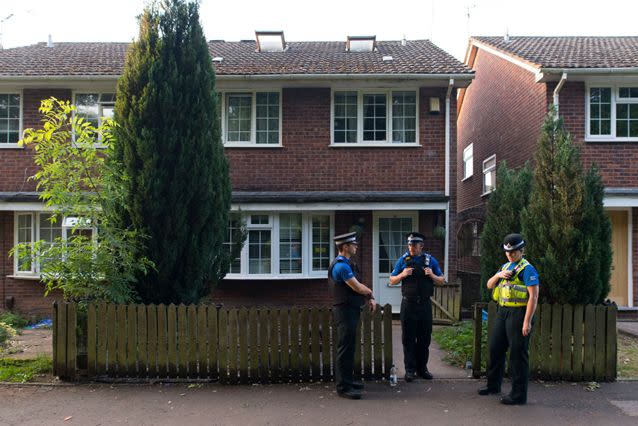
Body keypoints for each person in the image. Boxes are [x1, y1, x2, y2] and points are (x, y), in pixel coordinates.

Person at [478, 233, 539, 405]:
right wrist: (499, 275)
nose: (510, 255)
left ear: (521, 250)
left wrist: (527, 321)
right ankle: (493, 385)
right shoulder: (504, 266)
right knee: (495, 349)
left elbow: (534, 297)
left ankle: (518, 395)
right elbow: (489, 285)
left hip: (519, 314)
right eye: (507, 252)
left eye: (513, 252)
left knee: (517, 355)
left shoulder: (528, 269)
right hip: (503, 312)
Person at [389, 232, 445, 382]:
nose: (411, 248)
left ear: (421, 246)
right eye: (409, 245)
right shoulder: (403, 260)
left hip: (425, 305)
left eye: (414, 245)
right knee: (408, 338)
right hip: (408, 304)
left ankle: (422, 369)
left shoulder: (430, 260)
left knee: (424, 338)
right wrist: (402, 274)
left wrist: (432, 275)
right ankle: (409, 370)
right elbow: (392, 280)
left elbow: (442, 280)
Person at [329, 231, 376, 400]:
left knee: (349, 348)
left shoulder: (347, 263)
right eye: (353, 244)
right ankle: (343, 388)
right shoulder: (341, 266)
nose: (356, 246)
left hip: (350, 310)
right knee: (345, 349)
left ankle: (348, 381)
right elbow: (357, 287)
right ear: (345, 247)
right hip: (345, 311)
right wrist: (370, 294)